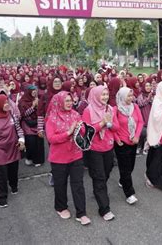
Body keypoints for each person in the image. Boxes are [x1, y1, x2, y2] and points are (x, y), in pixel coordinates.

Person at [45, 91, 91, 225]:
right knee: (60, 184)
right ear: (59, 102)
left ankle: (81, 213)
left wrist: (82, 128)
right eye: (66, 101)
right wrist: (68, 133)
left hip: (76, 155)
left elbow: (83, 132)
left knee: (78, 184)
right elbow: (51, 138)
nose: (69, 103)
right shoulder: (52, 118)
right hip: (58, 158)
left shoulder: (76, 114)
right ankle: (61, 207)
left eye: (70, 100)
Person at [81, 86, 119, 221]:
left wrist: (109, 124)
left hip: (108, 147)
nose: (105, 97)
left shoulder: (110, 109)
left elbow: (116, 127)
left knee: (106, 173)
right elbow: (85, 131)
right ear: (96, 95)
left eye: (107, 94)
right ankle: (104, 209)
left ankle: (98, 190)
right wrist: (102, 123)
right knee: (100, 177)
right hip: (94, 149)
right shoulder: (88, 111)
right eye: (102, 95)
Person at [114, 87, 144, 205]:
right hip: (121, 143)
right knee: (125, 168)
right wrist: (117, 139)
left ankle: (123, 180)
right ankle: (129, 193)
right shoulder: (116, 109)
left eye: (132, 96)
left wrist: (137, 136)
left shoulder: (135, 107)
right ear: (121, 96)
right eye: (128, 96)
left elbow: (140, 122)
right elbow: (113, 127)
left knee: (130, 166)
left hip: (133, 142)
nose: (131, 98)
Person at [19, 85, 44, 167]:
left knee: (39, 141)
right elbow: (23, 114)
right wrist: (33, 107)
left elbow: (42, 112)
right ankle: (29, 158)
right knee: (31, 142)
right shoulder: (23, 101)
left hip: (37, 123)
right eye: (32, 90)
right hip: (27, 124)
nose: (34, 92)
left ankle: (37, 160)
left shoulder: (38, 99)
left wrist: (39, 105)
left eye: (35, 90)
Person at [136, 81, 154, 155]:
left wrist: (151, 99)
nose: (148, 87)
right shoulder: (141, 96)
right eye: (146, 86)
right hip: (143, 117)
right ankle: (139, 147)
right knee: (142, 133)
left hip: (151, 116)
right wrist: (148, 98)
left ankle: (146, 148)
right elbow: (140, 104)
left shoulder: (153, 95)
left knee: (149, 133)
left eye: (149, 86)